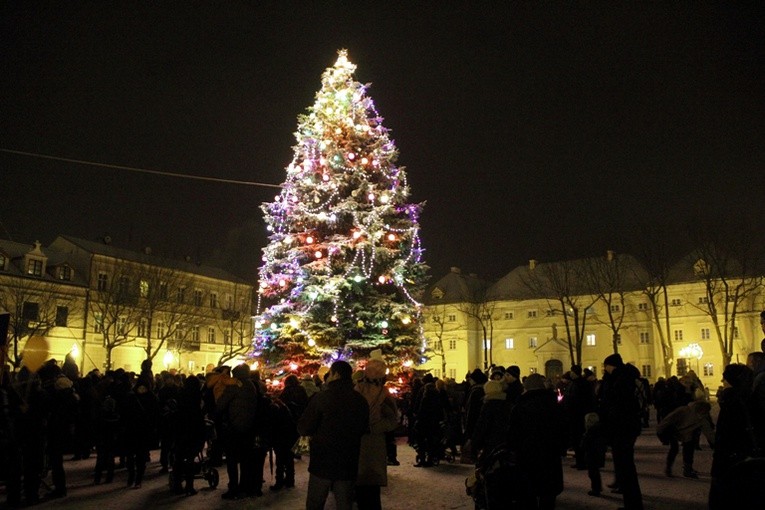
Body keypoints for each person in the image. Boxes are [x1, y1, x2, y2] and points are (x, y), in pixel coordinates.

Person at [298, 360, 369, 510]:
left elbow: (304, 427)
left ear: (336, 374)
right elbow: (363, 428)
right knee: (344, 504)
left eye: (329, 373)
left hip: (322, 461)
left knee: (315, 503)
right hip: (348, 461)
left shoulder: (321, 398)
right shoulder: (360, 400)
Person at [506, 373, 567, 509]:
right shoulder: (553, 404)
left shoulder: (521, 406)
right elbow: (562, 428)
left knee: (529, 492)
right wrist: (561, 447)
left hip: (527, 454)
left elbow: (513, 432)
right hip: (550, 453)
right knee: (548, 494)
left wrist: (513, 449)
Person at [598, 353, 643, 510]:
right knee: (625, 465)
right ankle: (630, 500)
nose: (604, 369)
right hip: (624, 427)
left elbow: (617, 403)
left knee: (626, 466)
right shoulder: (624, 377)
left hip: (622, 427)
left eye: (606, 366)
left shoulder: (620, 380)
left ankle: (633, 504)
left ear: (612, 366)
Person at [709, 363, 756, 509]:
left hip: (730, 458)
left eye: (724, 379)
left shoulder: (731, 400)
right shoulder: (744, 397)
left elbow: (726, 433)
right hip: (738, 456)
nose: (722, 381)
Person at [354, 359, 399, 510]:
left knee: (363, 488)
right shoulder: (382, 393)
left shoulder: (357, 390)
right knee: (371, 491)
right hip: (371, 444)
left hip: (363, 443)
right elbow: (392, 420)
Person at [216, 363, 258, 500]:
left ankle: (233, 488)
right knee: (245, 460)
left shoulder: (234, 386)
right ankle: (244, 486)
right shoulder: (251, 385)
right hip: (249, 427)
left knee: (232, 460)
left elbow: (221, 404)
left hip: (234, 427)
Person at [656, 400, 715, 478]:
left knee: (689, 447)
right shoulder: (684, 410)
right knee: (674, 448)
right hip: (671, 430)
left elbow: (708, 432)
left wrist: (715, 443)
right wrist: (660, 430)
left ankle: (687, 469)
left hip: (686, 434)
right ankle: (668, 468)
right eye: (704, 411)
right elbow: (669, 419)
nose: (705, 414)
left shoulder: (702, 419)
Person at [581, 412, 607, 497]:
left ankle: (595, 489)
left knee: (593, 474)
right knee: (595, 473)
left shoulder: (590, 433)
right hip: (598, 455)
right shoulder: (599, 432)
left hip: (591, 456)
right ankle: (597, 487)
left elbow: (584, 445)